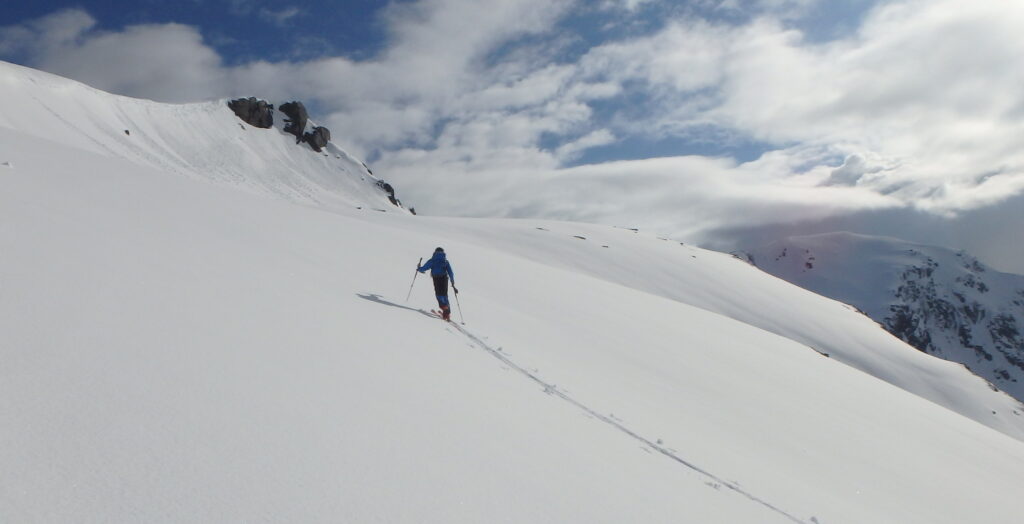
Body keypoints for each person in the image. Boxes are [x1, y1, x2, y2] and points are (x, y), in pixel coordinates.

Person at [418, 247, 456, 320]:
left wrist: (419, 268)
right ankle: (447, 312)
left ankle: (444, 308)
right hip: (444, 279)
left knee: (439, 294)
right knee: (444, 294)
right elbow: (450, 272)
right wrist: (452, 280)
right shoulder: (445, 261)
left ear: (435, 252)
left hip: (436, 279)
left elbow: (424, 268)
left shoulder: (432, 260)